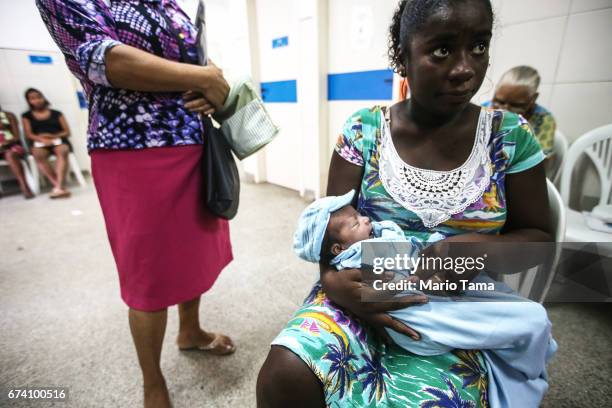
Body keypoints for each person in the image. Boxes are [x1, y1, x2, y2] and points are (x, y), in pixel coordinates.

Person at [257, 0, 553, 406]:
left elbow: (539, 238)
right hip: (360, 293)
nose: (466, 67)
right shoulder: (363, 130)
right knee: (285, 373)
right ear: (403, 53)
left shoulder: (510, 138)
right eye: (443, 50)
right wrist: (332, 282)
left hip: (458, 309)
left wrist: (467, 252)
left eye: (479, 46)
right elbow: (330, 225)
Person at [36, 1, 234, 407]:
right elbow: (104, 59)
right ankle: (152, 380)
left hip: (192, 143)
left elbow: (192, 53)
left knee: (192, 255)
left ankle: (190, 331)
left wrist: (214, 84)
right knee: (148, 272)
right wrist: (204, 77)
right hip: (132, 150)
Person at [293, 189, 557, 407]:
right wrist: (331, 280)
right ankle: (528, 349)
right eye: (355, 222)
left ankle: (526, 344)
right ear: (339, 249)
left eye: (360, 215)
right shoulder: (356, 254)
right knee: (528, 319)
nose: (365, 220)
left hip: (439, 285)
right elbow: (395, 273)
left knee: (514, 312)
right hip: (416, 319)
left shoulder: (369, 238)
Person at [484, 66, 557, 164]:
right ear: (496, 91)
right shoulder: (485, 109)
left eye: (516, 105)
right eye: (499, 101)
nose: (504, 110)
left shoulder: (544, 120)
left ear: (533, 99)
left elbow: (542, 163)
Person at [21, 88, 72, 198]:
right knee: (38, 154)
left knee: (63, 150)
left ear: (43, 97)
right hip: (39, 142)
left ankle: (58, 187)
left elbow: (67, 132)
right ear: (29, 101)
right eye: (33, 98)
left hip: (58, 140)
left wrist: (53, 136)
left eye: (39, 97)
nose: (37, 100)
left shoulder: (57, 113)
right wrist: (41, 139)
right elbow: (28, 134)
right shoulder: (26, 116)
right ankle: (58, 186)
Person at [0, 105, 33, 198]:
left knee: (11, 155)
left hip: (11, 146)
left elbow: (16, 136)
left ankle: (24, 187)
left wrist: (5, 142)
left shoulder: (9, 115)